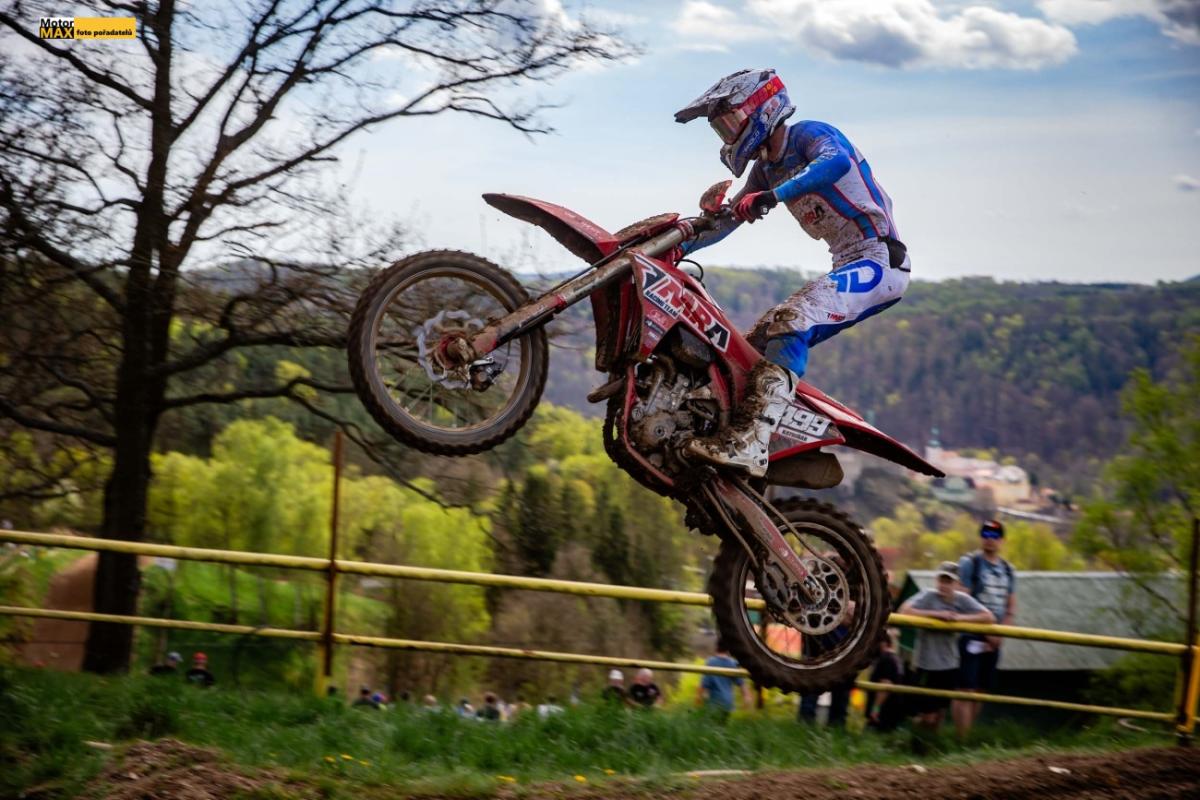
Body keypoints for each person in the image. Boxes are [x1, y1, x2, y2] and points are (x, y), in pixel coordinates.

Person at [674, 68, 910, 477]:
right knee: (749, 348)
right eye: (721, 128)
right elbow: (731, 220)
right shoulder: (766, 169)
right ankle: (727, 435)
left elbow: (835, 162)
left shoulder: (809, 135)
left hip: (879, 260)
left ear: (762, 108)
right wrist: (680, 244)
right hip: (847, 261)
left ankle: (752, 442)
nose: (727, 134)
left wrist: (773, 195)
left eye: (731, 121)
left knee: (793, 320)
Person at [897, 562, 993, 737]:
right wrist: (937, 615)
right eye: (942, 580)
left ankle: (932, 745)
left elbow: (988, 617)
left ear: (957, 584)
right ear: (936, 580)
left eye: (949, 581)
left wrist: (959, 618)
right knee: (926, 716)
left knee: (939, 714)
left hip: (949, 664)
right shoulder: (928, 595)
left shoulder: (962, 599)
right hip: (925, 664)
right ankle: (916, 741)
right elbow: (904, 610)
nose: (944, 585)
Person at [955, 519, 1017, 737]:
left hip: (995, 639)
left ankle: (968, 736)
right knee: (965, 689)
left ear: (1002, 540)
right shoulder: (970, 563)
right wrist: (986, 630)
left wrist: (1001, 633)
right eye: (985, 534)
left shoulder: (1008, 570)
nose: (990, 539)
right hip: (971, 635)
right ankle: (961, 740)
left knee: (981, 690)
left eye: (994, 535)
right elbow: (962, 601)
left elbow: (1011, 607)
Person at [698, 640, 752, 720]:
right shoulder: (733, 663)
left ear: (716, 647)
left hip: (714, 703)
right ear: (728, 650)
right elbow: (742, 684)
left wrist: (698, 701)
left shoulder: (711, 662)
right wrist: (746, 698)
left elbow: (703, 685)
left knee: (713, 724)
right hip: (728, 703)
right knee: (723, 724)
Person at [866, 630, 905, 732]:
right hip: (891, 716)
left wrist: (875, 710)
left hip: (881, 717)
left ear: (883, 643)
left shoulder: (886, 659)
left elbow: (885, 685)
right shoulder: (896, 659)